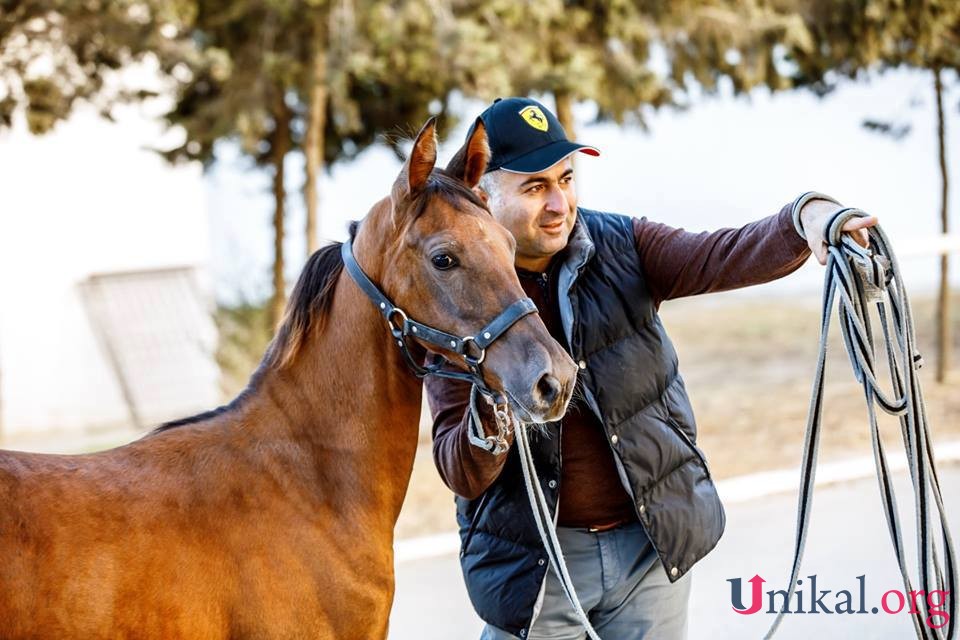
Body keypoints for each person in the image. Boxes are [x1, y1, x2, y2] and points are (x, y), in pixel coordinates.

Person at [426, 97, 877, 640]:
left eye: (566, 179)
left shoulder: (623, 245)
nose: (559, 203)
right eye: (534, 187)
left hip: (647, 556)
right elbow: (458, 467)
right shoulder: (452, 299)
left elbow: (724, 253)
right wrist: (493, 409)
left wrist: (808, 217)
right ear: (482, 194)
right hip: (537, 571)